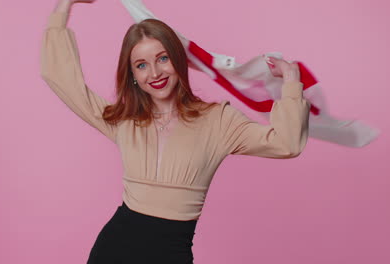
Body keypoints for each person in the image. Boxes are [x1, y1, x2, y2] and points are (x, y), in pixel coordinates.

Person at [40, 0, 310, 263]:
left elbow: (287, 144)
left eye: (162, 58)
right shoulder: (124, 120)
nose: (155, 72)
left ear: (178, 60)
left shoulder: (218, 120)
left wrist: (291, 81)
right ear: (133, 74)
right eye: (142, 65)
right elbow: (63, 79)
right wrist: (63, 6)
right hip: (113, 249)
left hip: (171, 252)